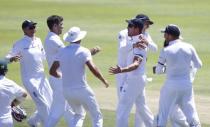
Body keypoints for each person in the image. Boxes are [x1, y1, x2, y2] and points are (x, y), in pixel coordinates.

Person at [50, 26, 109, 127]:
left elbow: (52, 71)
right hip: (82, 89)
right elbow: (92, 68)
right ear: (80, 38)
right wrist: (103, 80)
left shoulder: (62, 51)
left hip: (67, 91)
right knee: (96, 116)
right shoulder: (84, 51)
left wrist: (63, 77)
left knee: (79, 114)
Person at [5, 20, 53, 127]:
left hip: (42, 77)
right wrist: (12, 58)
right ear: (24, 30)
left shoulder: (39, 41)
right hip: (30, 79)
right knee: (44, 106)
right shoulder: (20, 44)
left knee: (51, 103)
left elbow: (44, 56)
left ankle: (33, 121)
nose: (34, 30)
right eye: (31, 28)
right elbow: (6, 58)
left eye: (34, 27)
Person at [154, 24, 202, 127]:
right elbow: (199, 65)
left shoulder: (166, 50)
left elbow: (158, 71)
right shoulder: (189, 47)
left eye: (165, 34)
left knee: (163, 116)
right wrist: (184, 66)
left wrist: (168, 68)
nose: (164, 37)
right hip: (186, 86)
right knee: (192, 116)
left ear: (170, 35)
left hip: (170, 86)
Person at [110, 18, 154, 127]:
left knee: (122, 110)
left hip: (134, 79)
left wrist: (121, 70)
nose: (127, 28)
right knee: (142, 108)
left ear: (136, 29)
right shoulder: (134, 41)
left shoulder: (141, 42)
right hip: (136, 79)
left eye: (130, 26)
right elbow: (123, 49)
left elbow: (136, 64)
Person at [44, 15, 74, 127]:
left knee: (67, 107)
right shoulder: (53, 39)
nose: (62, 27)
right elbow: (68, 53)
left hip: (59, 77)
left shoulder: (53, 38)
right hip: (58, 78)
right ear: (55, 26)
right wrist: (88, 52)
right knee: (59, 109)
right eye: (61, 25)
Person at [0, 60, 27, 127]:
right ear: (6, 71)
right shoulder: (10, 84)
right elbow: (24, 94)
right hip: (7, 122)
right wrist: (13, 104)